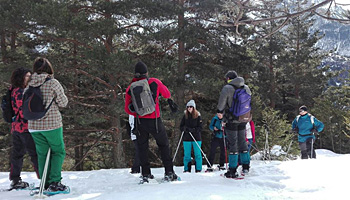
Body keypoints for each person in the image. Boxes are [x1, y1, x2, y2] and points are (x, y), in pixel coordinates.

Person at [124, 61, 178, 182]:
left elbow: (127, 108)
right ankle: (169, 172)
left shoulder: (130, 87)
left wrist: (138, 112)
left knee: (142, 148)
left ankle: (146, 174)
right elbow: (167, 94)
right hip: (155, 120)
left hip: (140, 122)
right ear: (146, 72)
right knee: (163, 145)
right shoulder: (154, 82)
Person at [27, 57, 68, 191]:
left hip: (33, 125)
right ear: (49, 68)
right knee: (58, 151)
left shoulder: (29, 83)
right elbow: (63, 103)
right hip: (51, 124)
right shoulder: (52, 82)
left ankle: (44, 182)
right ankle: (55, 182)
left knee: (42, 154)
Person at [8, 67, 39, 189]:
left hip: (16, 128)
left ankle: (15, 179)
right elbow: (24, 111)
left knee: (17, 154)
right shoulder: (20, 92)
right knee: (35, 154)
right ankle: (44, 179)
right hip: (25, 128)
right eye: (27, 76)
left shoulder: (12, 90)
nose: (29, 78)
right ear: (21, 77)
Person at [217, 70, 251, 178]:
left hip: (231, 119)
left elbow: (222, 103)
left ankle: (232, 169)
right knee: (242, 141)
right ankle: (246, 166)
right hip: (243, 118)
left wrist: (220, 112)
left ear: (228, 78)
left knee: (233, 144)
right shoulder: (246, 87)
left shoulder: (227, 88)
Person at [180, 100, 203, 173]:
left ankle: (198, 168)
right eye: (188, 107)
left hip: (196, 137)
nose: (189, 108)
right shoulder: (185, 116)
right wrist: (185, 129)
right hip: (187, 138)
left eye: (191, 107)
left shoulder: (198, 116)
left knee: (197, 154)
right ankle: (187, 168)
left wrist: (193, 130)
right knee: (187, 154)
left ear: (194, 108)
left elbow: (200, 127)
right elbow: (181, 126)